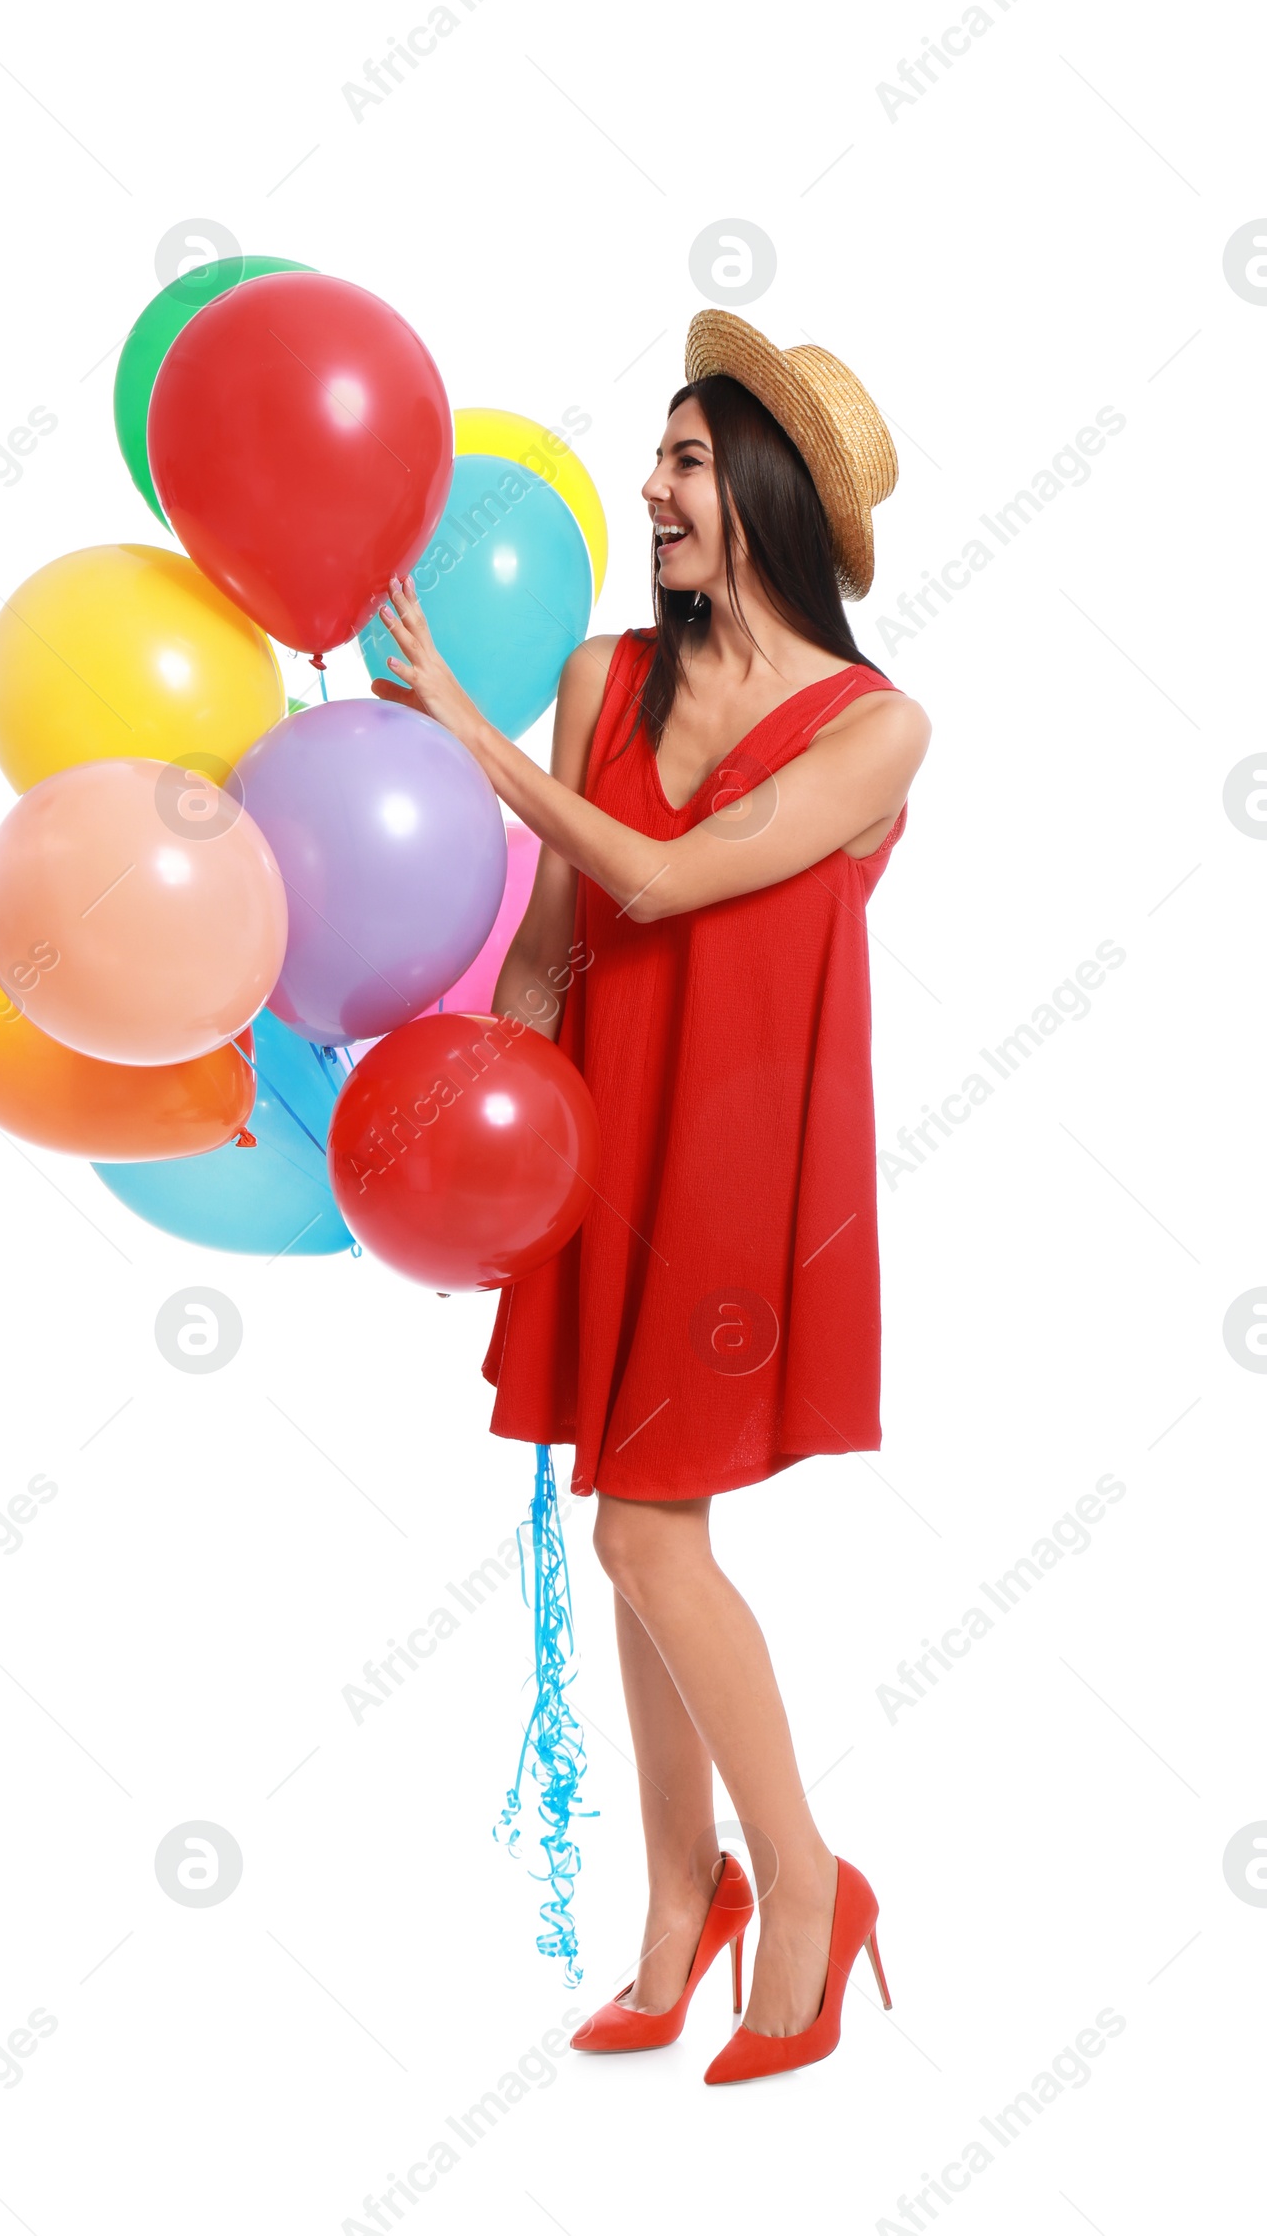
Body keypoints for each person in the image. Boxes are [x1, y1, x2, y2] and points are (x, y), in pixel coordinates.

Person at [370, 308, 929, 2085]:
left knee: (640, 1533)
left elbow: (672, 886)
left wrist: (461, 727)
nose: (652, 488)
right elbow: (552, 942)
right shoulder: (607, 678)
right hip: (607, 1143)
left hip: (747, 1173)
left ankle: (810, 1887)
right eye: (661, 458)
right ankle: (680, 1910)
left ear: (759, 485)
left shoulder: (880, 729)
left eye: (685, 460)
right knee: (640, 1529)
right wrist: (482, 1166)